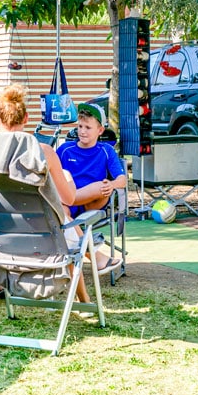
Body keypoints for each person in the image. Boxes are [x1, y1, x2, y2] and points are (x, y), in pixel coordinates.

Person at [0, 84, 108, 303]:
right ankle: (84, 300)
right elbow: (69, 198)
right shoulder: (43, 152)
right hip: (39, 230)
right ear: (26, 118)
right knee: (67, 227)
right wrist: (66, 178)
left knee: (63, 224)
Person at [57, 102, 125, 273]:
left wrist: (112, 184)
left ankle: (90, 256)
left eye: (88, 127)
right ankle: (95, 256)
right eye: (80, 126)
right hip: (68, 204)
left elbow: (122, 179)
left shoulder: (106, 150)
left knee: (103, 186)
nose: (82, 131)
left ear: (100, 130)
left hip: (92, 201)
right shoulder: (65, 149)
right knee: (62, 212)